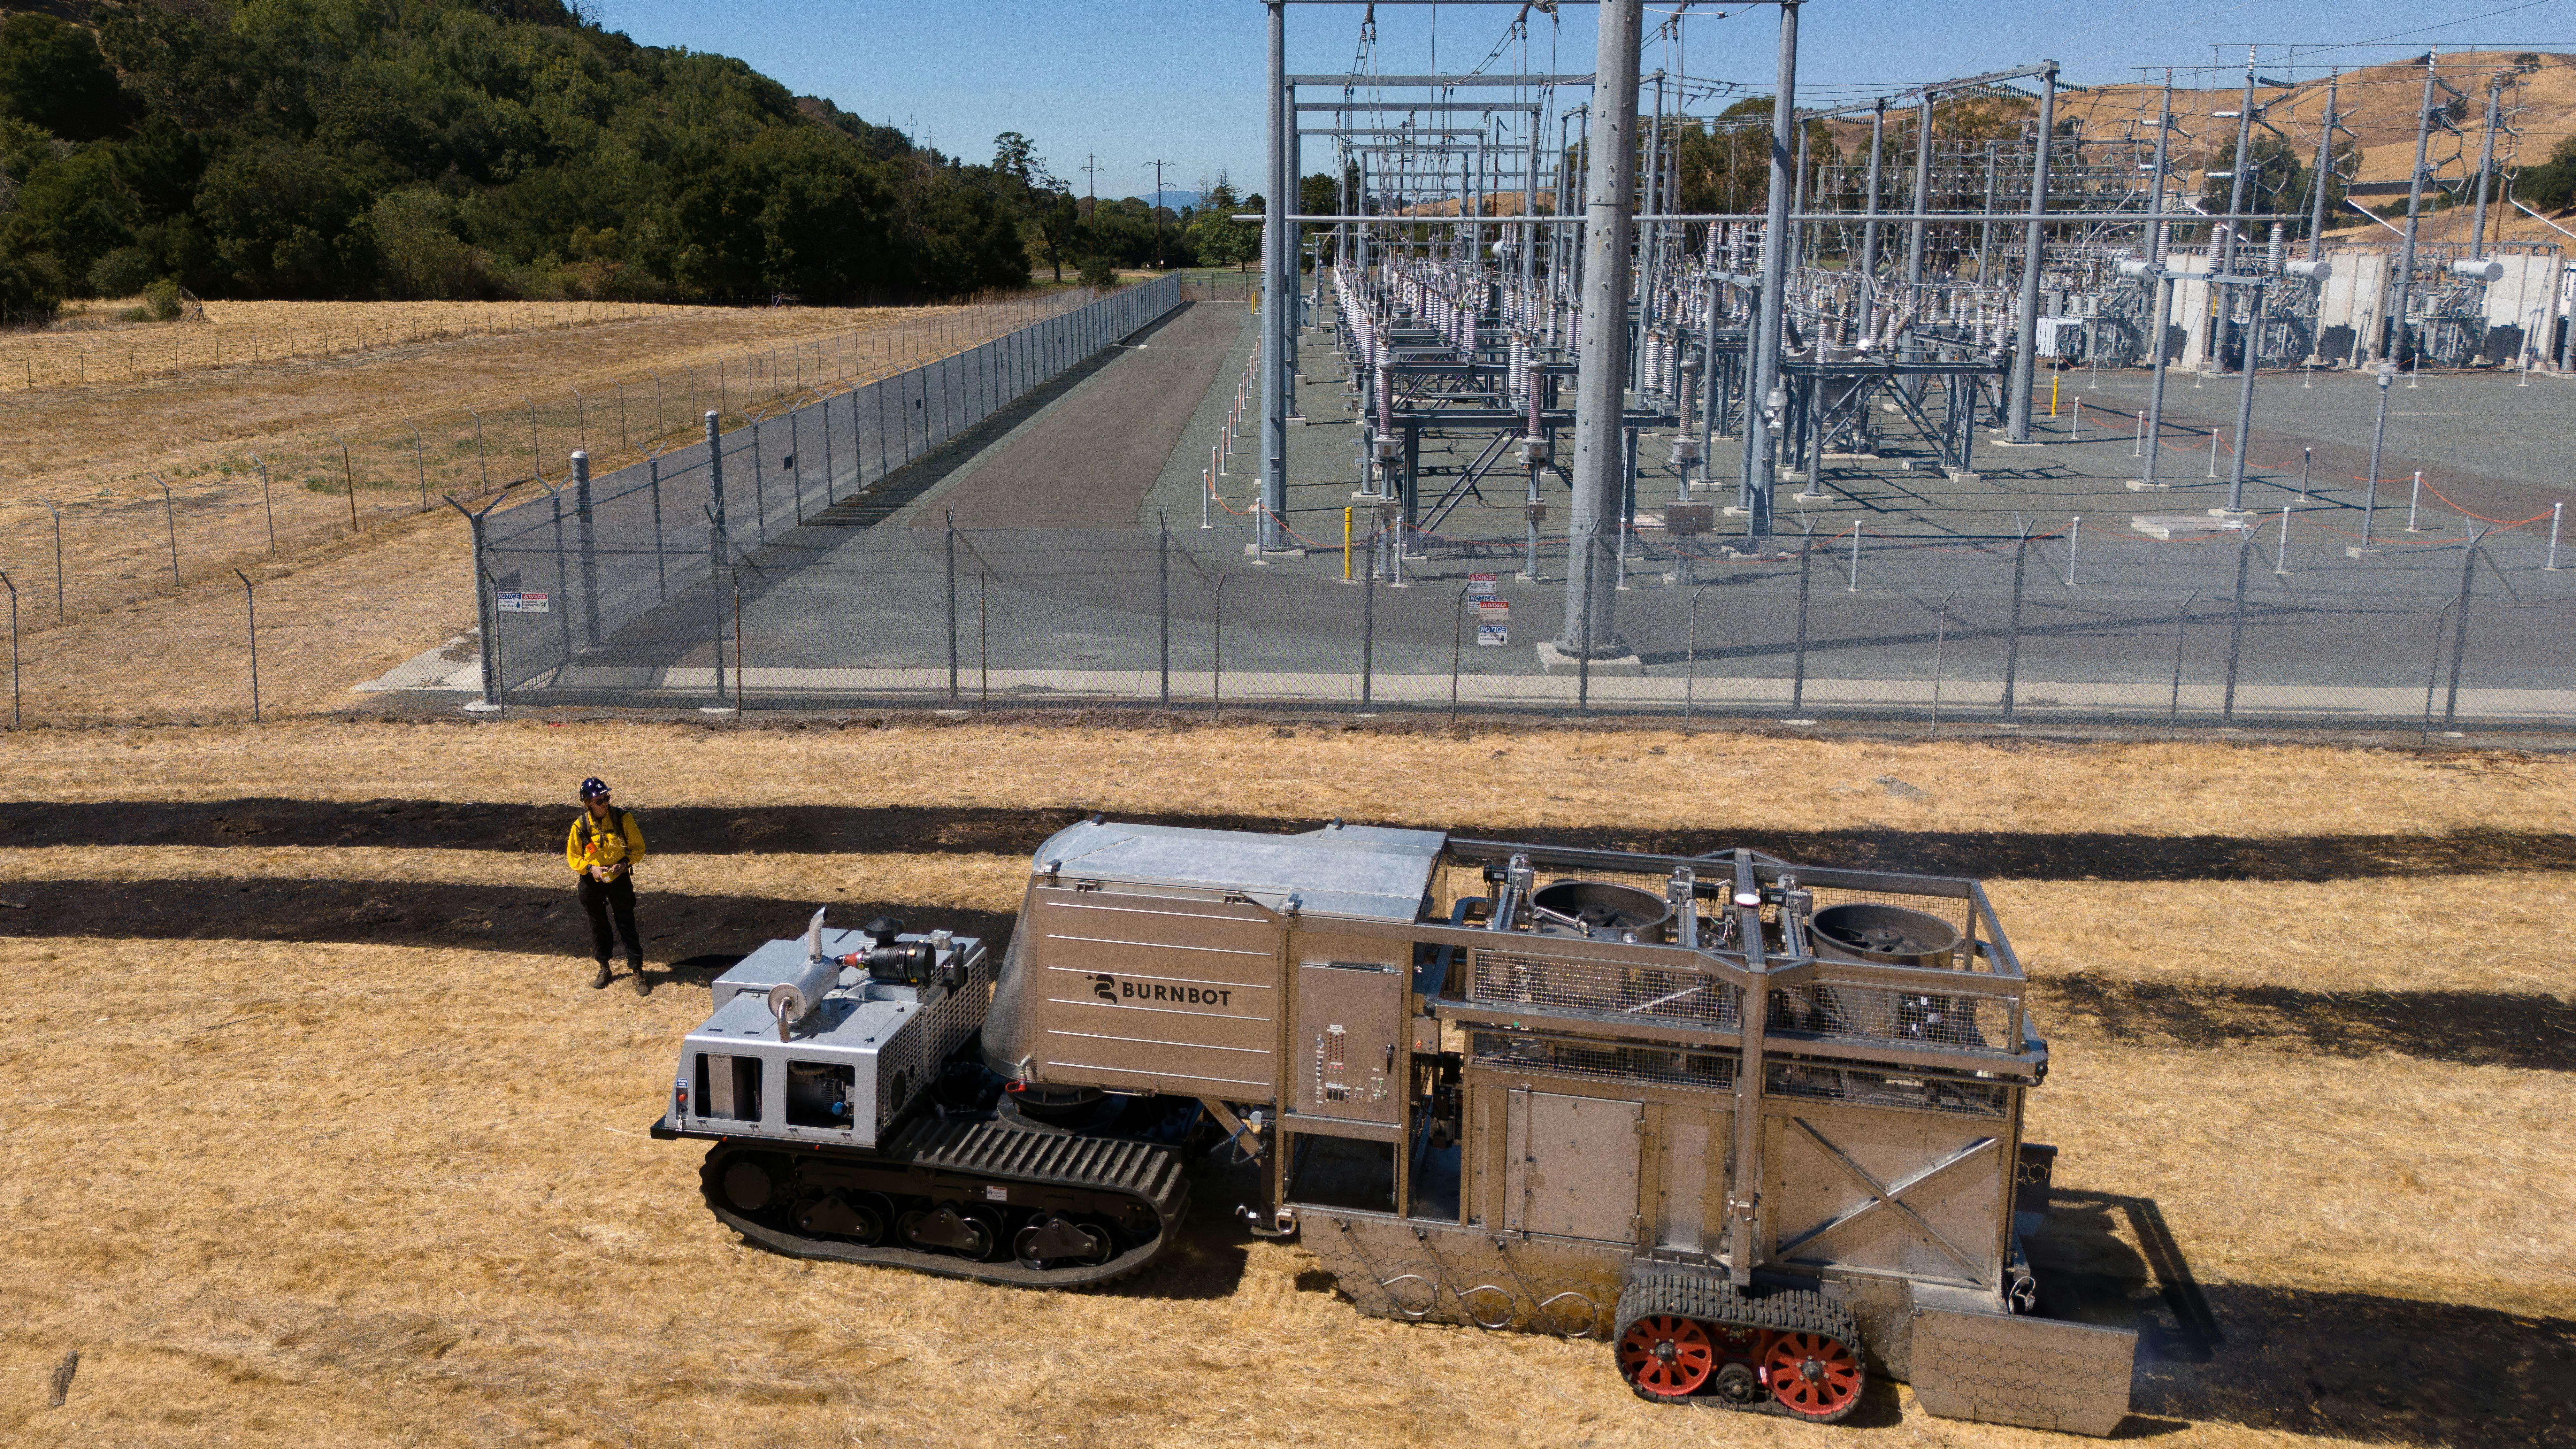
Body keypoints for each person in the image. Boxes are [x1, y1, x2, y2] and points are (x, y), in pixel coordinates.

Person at [566, 777, 648, 993]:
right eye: (599, 800)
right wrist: (591, 869)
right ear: (587, 803)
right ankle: (604, 968)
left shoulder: (624, 819)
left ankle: (637, 971)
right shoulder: (580, 826)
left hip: (619, 877)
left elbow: (638, 849)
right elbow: (573, 857)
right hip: (592, 881)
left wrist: (623, 864)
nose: (604, 803)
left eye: (606, 798)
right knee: (598, 924)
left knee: (627, 922)